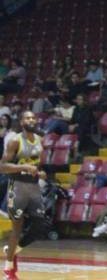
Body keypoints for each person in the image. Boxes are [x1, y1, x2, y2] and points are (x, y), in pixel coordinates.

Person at [0, 111, 47, 280]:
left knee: (40, 226)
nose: (31, 120)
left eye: (33, 117)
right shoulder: (15, 141)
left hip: (33, 187)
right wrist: (25, 168)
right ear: (21, 122)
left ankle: (12, 250)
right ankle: (8, 270)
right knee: (17, 228)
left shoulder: (40, 141)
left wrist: (40, 173)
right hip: (17, 187)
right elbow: (3, 166)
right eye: (27, 117)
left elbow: (36, 165)